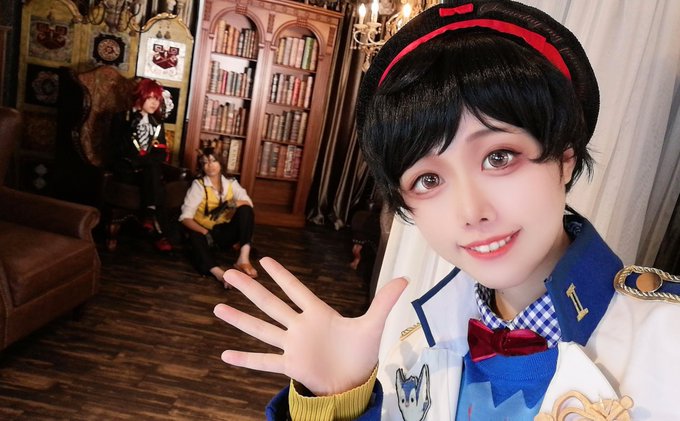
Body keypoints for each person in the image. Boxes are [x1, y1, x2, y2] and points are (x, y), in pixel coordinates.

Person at [213, 1, 680, 419]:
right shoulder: (415, 341)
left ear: (565, 157)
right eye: (428, 180)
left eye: (499, 157)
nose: (471, 211)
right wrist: (340, 398)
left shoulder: (668, 342)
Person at [179, 147, 258, 287]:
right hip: (206, 234)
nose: (210, 166)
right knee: (194, 233)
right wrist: (204, 232)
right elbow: (185, 218)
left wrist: (230, 204)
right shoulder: (198, 186)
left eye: (213, 161)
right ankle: (220, 274)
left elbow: (248, 203)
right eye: (205, 162)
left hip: (224, 233)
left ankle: (243, 259)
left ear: (221, 163)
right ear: (202, 166)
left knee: (246, 210)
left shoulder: (231, 183)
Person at [112, 77, 173, 252]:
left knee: (153, 172)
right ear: (140, 96)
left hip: (147, 170)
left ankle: (150, 218)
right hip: (127, 170)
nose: (155, 103)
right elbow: (117, 149)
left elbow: (161, 153)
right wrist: (131, 126)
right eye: (151, 97)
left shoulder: (157, 123)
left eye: (157, 99)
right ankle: (159, 233)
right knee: (155, 179)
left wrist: (144, 162)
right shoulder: (122, 117)